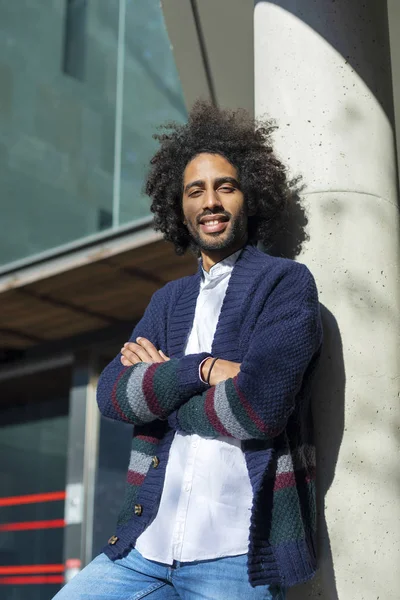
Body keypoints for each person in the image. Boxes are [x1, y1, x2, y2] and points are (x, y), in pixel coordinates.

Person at [54, 101, 322, 600]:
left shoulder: (284, 284)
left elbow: (257, 410)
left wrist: (163, 392)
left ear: (250, 196)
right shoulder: (167, 301)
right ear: (179, 206)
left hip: (235, 558)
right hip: (142, 551)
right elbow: (112, 395)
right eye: (195, 190)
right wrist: (204, 369)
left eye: (225, 186)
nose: (211, 201)